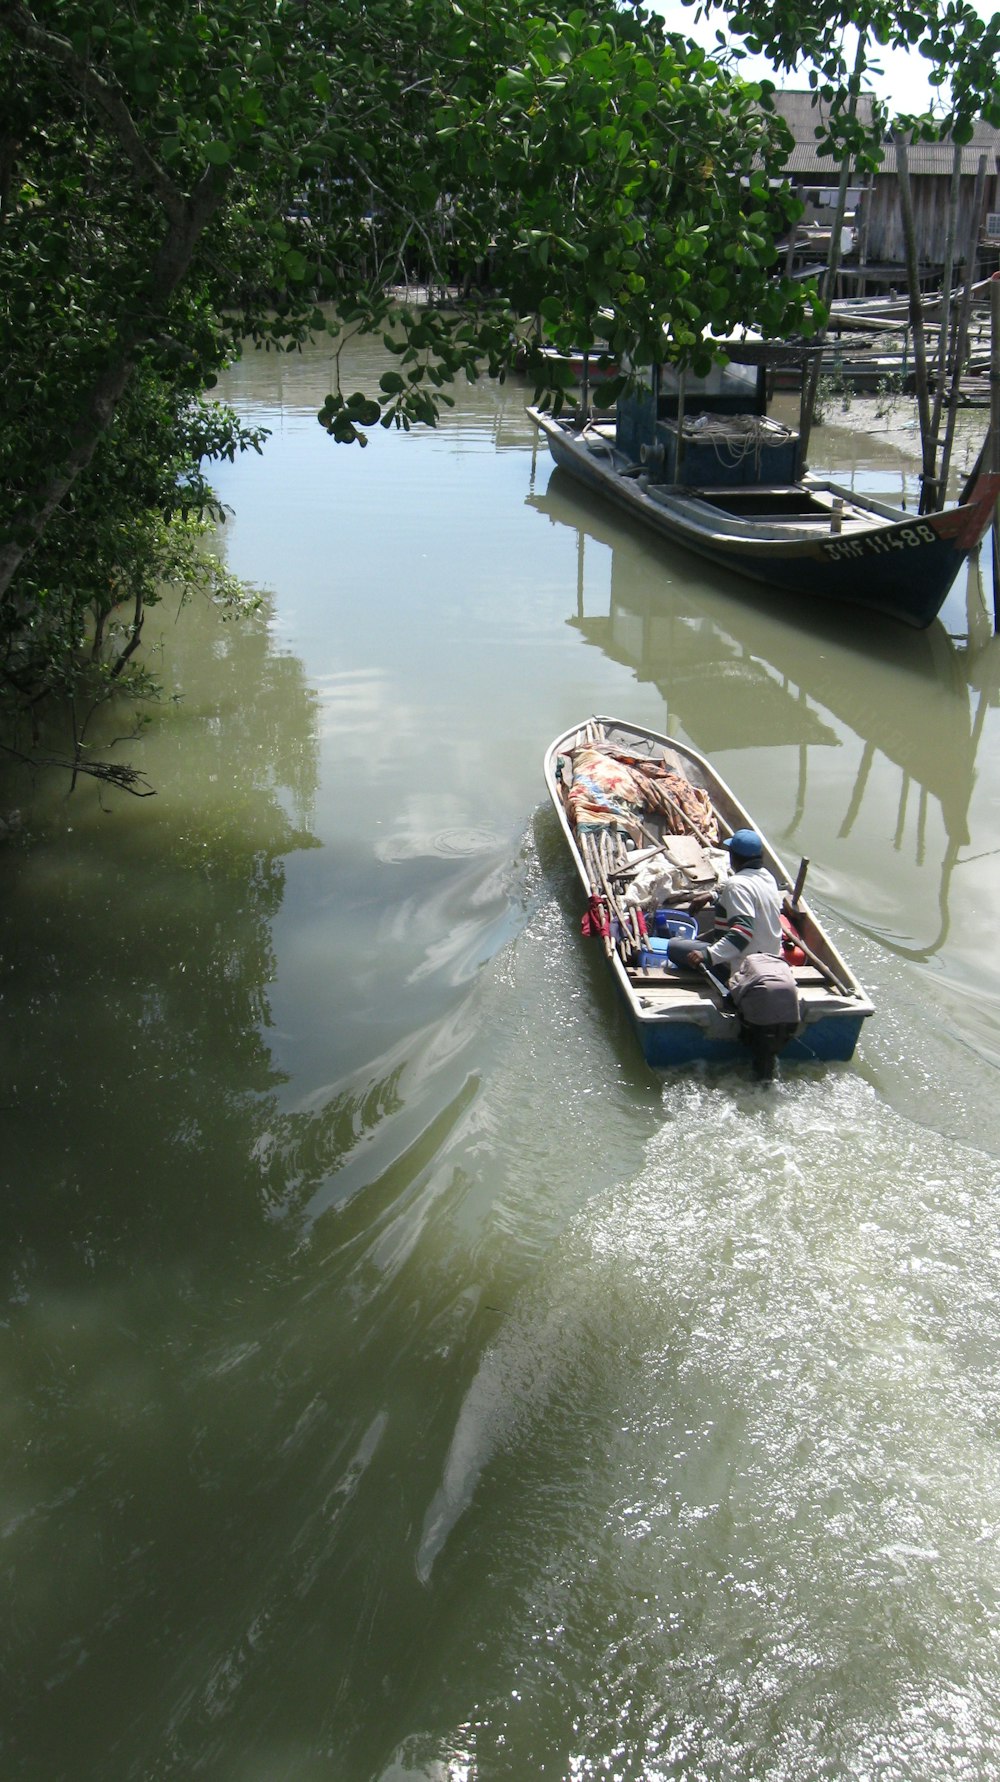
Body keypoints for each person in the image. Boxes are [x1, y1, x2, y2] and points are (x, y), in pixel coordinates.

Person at [666, 828, 783, 981]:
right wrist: (712, 895)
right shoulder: (768, 877)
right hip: (770, 958)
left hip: (744, 967)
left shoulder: (737, 885)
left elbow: (743, 932)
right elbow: (741, 893)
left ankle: (719, 971)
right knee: (703, 938)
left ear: (734, 858)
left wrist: (708, 955)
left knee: (674, 947)